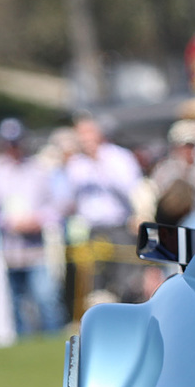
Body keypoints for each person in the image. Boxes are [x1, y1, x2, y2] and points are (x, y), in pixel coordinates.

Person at [0, 118, 66, 334]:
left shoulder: (38, 169)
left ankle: (54, 339)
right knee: (17, 300)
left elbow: (56, 207)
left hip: (36, 248)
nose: (12, 148)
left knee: (46, 297)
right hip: (10, 248)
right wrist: (8, 222)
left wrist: (37, 220)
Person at [62, 114, 145, 303]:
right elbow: (69, 199)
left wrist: (100, 164)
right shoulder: (76, 163)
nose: (84, 138)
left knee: (125, 280)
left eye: (87, 132)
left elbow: (130, 189)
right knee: (94, 283)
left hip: (119, 227)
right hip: (92, 230)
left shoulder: (119, 157)